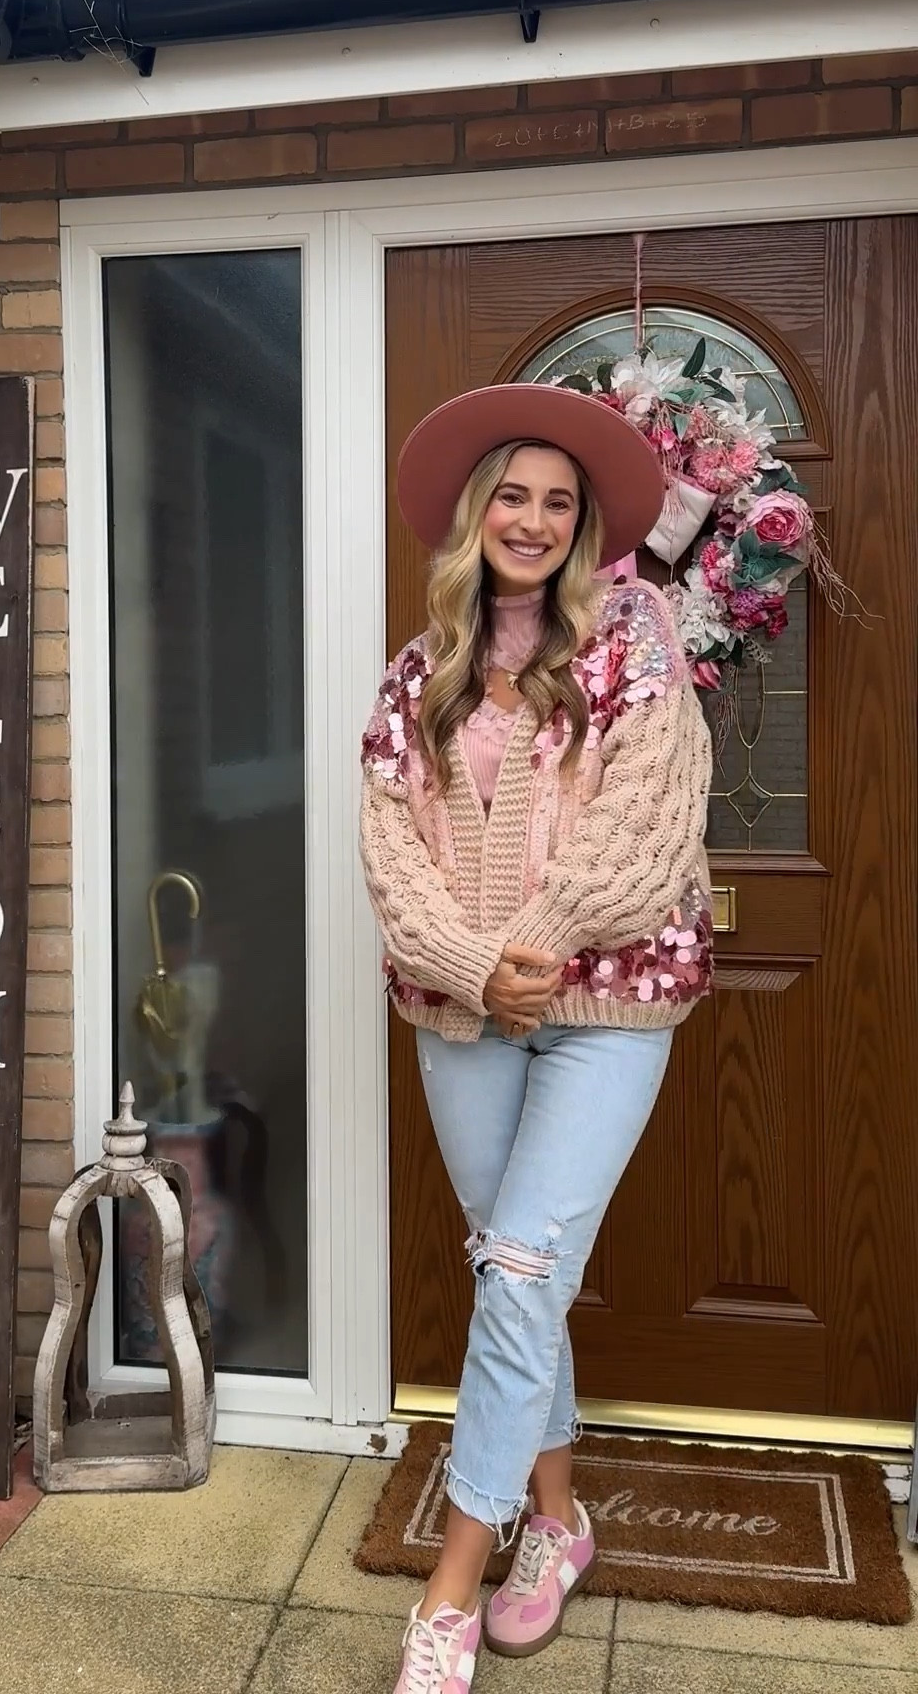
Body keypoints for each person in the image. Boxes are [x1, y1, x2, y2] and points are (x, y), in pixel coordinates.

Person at [359, 381, 713, 1691]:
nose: (533, 518)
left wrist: (533, 951)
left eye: (559, 503)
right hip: (460, 1017)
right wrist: (467, 967)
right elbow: (390, 852)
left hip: (608, 1007)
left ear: (585, 527)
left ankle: (449, 1591)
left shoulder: (638, 638)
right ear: (475, 512)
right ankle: (557, 1522)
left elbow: (654, 823)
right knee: (521, 1273)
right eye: (513, 494)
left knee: (517, 1267)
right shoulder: (418, 674)